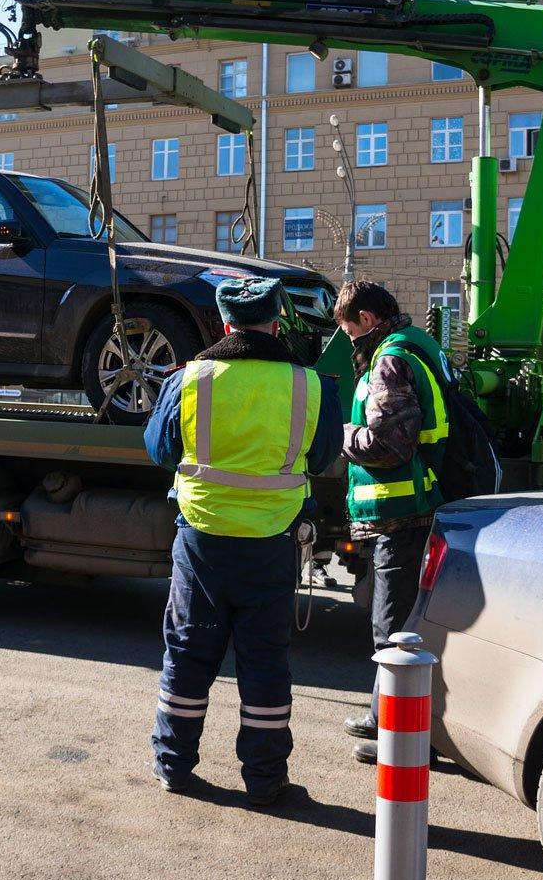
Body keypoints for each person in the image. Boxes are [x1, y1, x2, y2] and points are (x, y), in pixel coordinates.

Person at [144, 276, 342, 806]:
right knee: (264, 660)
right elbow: (321, 458)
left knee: (187, 654)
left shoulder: (190, 380)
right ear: (276, 322)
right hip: (272, 542)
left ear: (224, 324)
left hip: (202, 541)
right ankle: (265, 778)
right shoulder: (311, 385)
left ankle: (173, 767)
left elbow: (160, 450)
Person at [332, 281, 453, 766]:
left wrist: (340, 432)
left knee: (395, 630)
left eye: (347, 329)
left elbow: (389, 445)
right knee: (404, 622)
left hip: (404, 511)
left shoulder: (389, 361)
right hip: (420, 502)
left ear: (364, 317)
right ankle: (383, 711)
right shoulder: (421, 346)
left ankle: (401, 740)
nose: (347, 341)